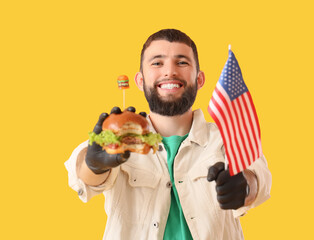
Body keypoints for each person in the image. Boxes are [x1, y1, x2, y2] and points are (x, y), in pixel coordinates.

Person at [65, 29, 272, 240]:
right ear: (139, 80)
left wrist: (244, 186)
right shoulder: (120, 138)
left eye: (182, 62)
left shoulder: (226, 137)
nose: (170, 71)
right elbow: (82, 175)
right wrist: (94, 164)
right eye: (157, 63)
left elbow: (259, 177)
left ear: (199, 79)